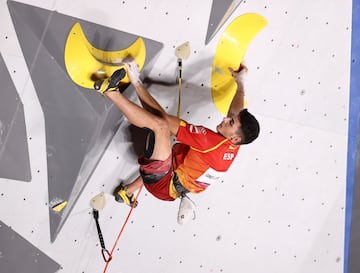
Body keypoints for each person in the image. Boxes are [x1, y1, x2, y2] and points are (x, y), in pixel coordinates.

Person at [98, 60, 260, 224]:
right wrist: (240, 83)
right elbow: (236, 111)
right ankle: (127, 192)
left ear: (235, 138)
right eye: (230, 118)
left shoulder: (209, 142)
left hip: (162, 184)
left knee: (160, 127)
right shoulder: (235, 143)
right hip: (173, 182)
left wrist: (136, 82)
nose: (225, 119)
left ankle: (110, 91)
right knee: (174, 158)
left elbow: (163, 119)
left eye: (230, 122)